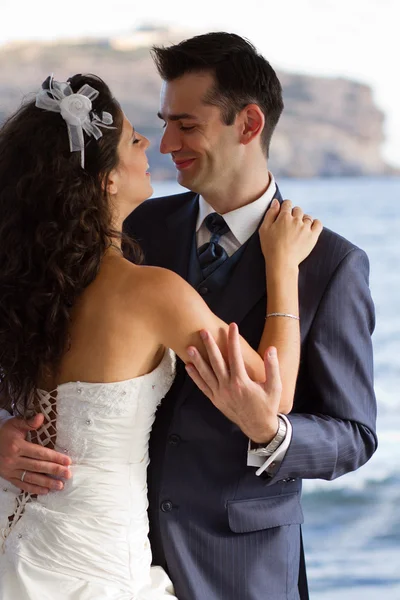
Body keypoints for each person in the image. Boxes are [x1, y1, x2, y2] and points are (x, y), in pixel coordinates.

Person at [0, 30, 377, 598]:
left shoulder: (332, 264)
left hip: (237, 567)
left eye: (187, 124)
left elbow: (354, 435)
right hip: (100, 548)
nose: (165, 141)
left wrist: (271, 433)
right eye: (160, 122)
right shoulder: (126, 226)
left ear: (248, 125)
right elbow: (36, 345)